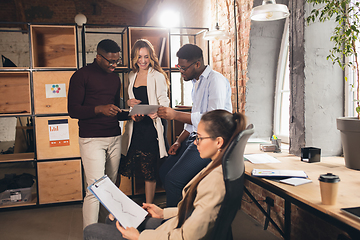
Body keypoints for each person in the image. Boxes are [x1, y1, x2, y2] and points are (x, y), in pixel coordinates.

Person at [83, 109, 247, 240]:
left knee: (93, 230)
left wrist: (140, 237)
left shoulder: (215, 182)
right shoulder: (218, 166)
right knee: (113, 220)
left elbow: (187, 236)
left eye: (200, 137)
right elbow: (196, 212)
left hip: (179, 234)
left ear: (218, 142)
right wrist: (163, 213)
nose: (195, 142)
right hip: (178, 225)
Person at [157, 44, 232, 207]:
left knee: (173, 180)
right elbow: (193, 122)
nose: (181, 72)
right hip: (195, 138)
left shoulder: (215, 81)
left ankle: (175, 226)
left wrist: (175, 115)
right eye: (179, 67)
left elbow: (213, 120)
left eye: (183, 68)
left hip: (211, 141)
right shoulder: (197, 83)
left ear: (197, 64)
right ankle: (182, 210)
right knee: (163, 172)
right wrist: (178, 141)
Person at [68, 39, 128, 228]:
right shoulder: (81, 76)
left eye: (117, 61)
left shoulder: (115, 78)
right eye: (110, 61)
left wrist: (129, 115)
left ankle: (103, 230)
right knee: (95, 189)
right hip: (91, 139)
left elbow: (114, 109)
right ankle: (90, 234)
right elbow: (73, 110)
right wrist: (99, 109)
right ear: (98, 56)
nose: (114, 65)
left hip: (114, 136)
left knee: (109, 187)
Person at [119, 39, 170, 203]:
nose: (143, 60)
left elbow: (164, 100)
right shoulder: (131, 75)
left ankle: (148, 207)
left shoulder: (158, 76)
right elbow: (131, 100)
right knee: (128, 164)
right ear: (134, 57)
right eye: (139, 56)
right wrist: (128, 104)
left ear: (151, 57)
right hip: (135, 127)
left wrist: (158, 111)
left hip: (151, 128)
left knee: (149, 170)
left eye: (146, 56)